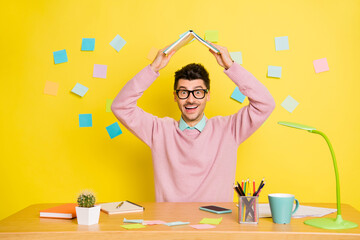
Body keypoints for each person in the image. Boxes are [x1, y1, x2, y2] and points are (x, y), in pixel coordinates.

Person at [111, 43, 275, 202]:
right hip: (170, 226)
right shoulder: (159, 131)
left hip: (216, 226)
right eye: (184, 92)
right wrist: (153, 69)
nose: (190, 99)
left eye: (197, 92)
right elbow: (121, 107)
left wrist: (231, 66)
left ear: (208, 95)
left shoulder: (229, 129)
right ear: (175, 96)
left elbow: (265, 104)